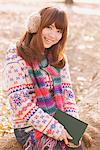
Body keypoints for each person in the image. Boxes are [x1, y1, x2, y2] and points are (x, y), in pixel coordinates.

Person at [4, 6, 83, 150]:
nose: (53, 35)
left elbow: (67, 93)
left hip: (59, 118)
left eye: (59, 31)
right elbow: (19, 102)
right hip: (28, 126)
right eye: (49, 27)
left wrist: (73, 126)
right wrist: (55, 129)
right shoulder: (15, 56)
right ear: (36, 25)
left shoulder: (58, 59)